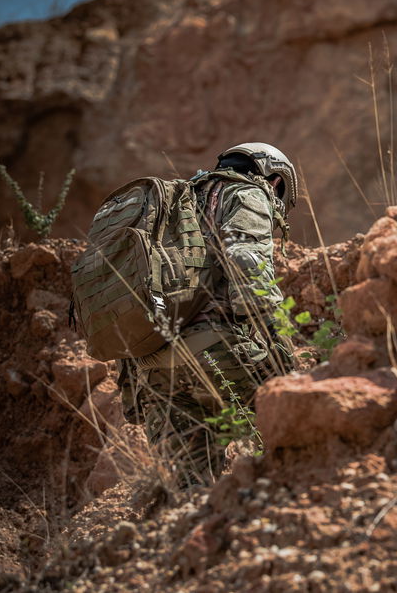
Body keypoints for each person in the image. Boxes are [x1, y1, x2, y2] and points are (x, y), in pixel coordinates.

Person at [117, 142, 298, 487]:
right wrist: (284, 364)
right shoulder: (247, 193)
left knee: (186, 492)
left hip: (154, 371)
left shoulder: (171, 208)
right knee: (297, 436)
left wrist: (132, 390)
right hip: (217, 350)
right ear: (275, 181)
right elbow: (246, 263)